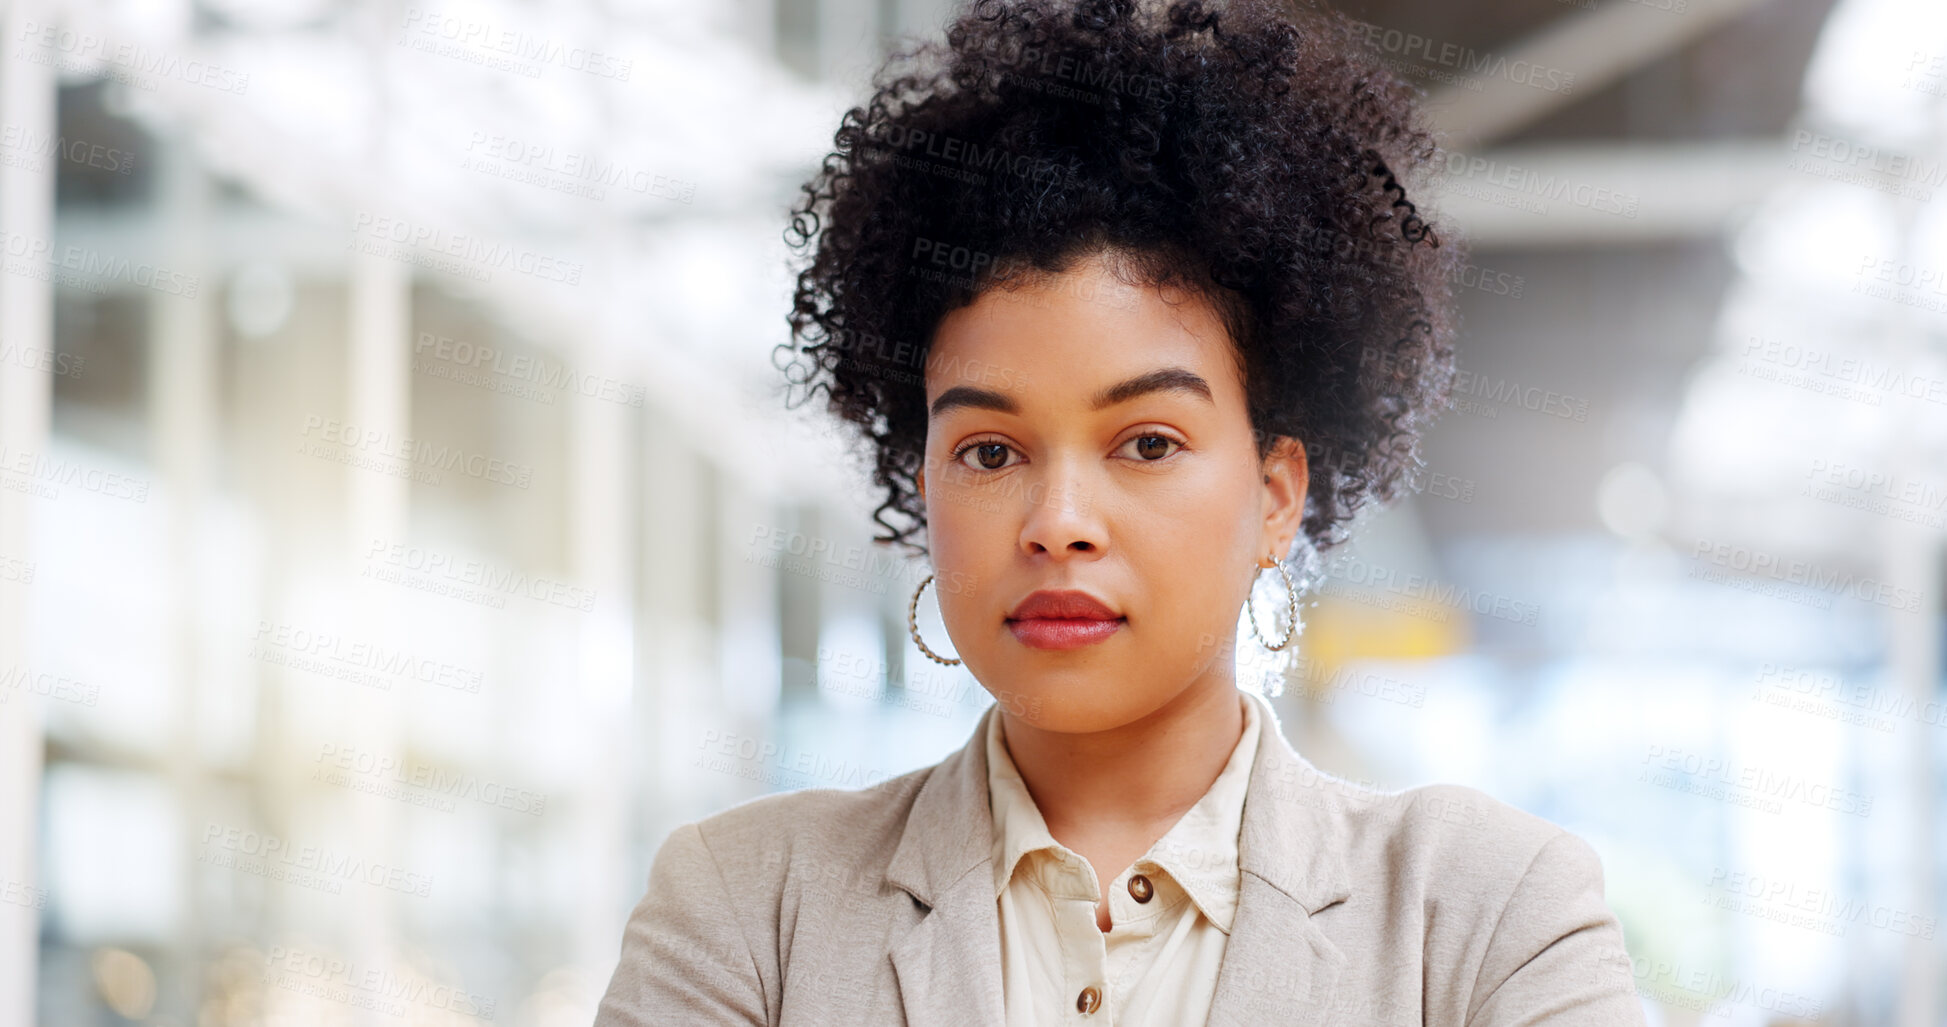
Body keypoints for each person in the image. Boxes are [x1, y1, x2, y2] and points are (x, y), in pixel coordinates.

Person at [597, 0, 1645, 1023]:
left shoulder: (1486, 916)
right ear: (923, 485)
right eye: (990, 450)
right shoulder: (748, 908)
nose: (1057, 522)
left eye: (1147, 443)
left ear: (1276, 496)